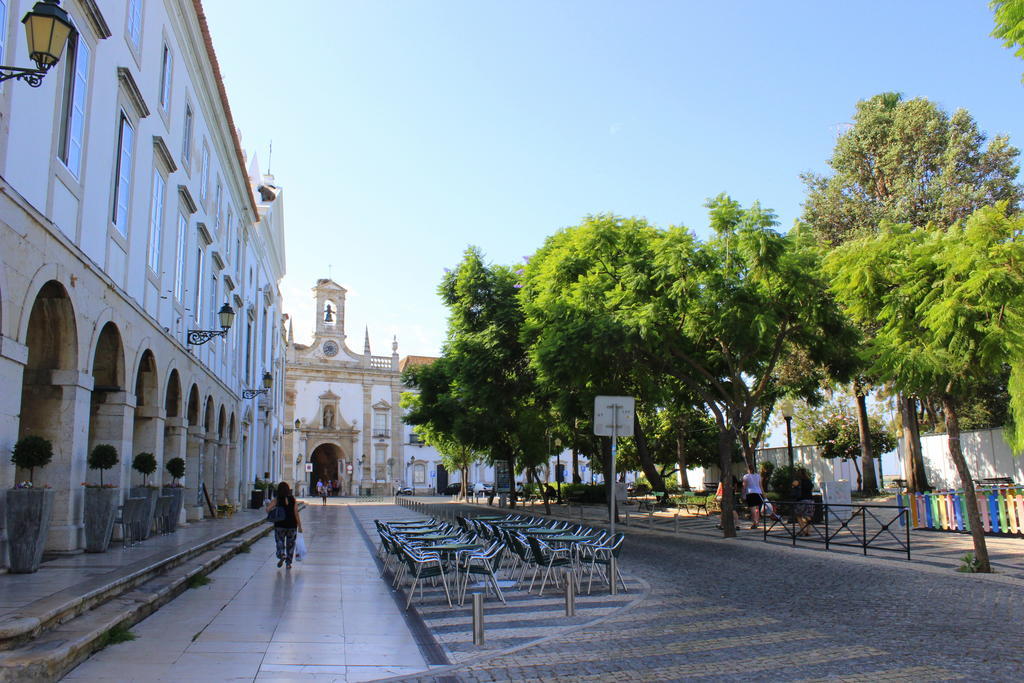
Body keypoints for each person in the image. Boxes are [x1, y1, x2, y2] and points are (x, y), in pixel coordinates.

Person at [266, 481, 302, 569]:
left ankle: (281, 554)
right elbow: (296, 513)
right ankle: (288, 563)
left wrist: (274, 509)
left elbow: (267, 509)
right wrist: (300, 526)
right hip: (292, 525)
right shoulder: (293, 499)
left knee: (279, 541)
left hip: (280, 524)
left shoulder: (277, 499)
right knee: (290, 544)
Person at [792, 468, 816, 536]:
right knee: (808, 515)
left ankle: (803, 530)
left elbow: (793, 485)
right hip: (810, 500)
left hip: (801, 500)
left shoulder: (798, 481)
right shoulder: (809, 481)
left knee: (798, 515)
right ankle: (808, 531)